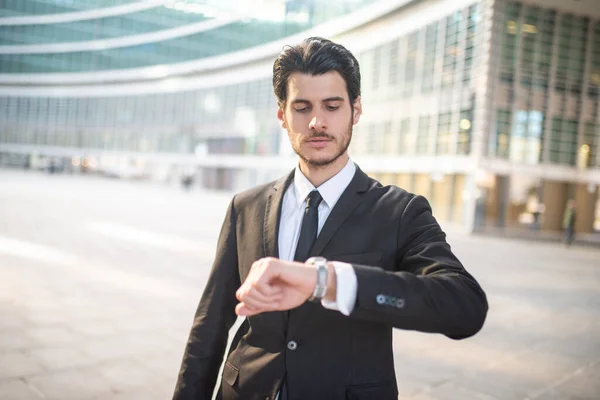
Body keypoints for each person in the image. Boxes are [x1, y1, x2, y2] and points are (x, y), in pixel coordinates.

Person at [173, 37, 488, 400]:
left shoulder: (400, 211)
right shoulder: (245, 206)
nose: (317, 122)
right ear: (282, 115)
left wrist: (328, 281)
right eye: (302, 107)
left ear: (356, 110)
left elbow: (465, 307)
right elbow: (209, 326)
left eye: (332, 106)